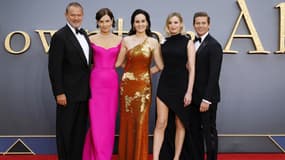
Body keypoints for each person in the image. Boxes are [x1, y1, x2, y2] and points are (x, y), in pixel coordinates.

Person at [115, 9, 164, 160]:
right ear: (133, 24)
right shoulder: (126, 40)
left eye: (143, 21)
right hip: (127, 87)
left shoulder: (153, 41)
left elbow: (160, 66)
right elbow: (118, 63)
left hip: (144, 88)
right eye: (137, 21)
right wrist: (131, 72)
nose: (140, 24)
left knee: (141, 121)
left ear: (147, 23)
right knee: (127, 120)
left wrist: (145, 73)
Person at [48, 2, 92, 160]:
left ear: (83, 15)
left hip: (84, 93)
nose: (76, 18)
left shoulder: (84, 34)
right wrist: (59, 92)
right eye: (73, 15)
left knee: (79, 132)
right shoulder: (60, 36)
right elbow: (54, 68)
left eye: (79, 15)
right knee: (66, 131)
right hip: (67, 94)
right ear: (66, 15)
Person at [152, 12, 196, 160]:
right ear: (167, 25)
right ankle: (156, 157)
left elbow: (192, 68)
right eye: (170, 23)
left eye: (176, 22)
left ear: (181, 24)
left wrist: (189, 92)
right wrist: (140, 73)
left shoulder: (188, 42)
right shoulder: (162, 42)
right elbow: (160, 66)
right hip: (164, 85)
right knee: (161, 122)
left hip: (181, 86)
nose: (173, 25)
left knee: (180, 123)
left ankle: (176, 157)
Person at [82, 8, 121, 160]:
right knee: (96, 121)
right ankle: (95, 155)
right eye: (101, 21)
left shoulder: (120, 40)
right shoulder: (90, 39)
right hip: (95, 82)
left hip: (111, 83)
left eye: (107, 21)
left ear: (112, 21)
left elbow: (123, 62)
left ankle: (104, 156)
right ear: (97, 22)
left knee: (109, 122)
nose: (105, 24)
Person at [190, 11, 223, 160]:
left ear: (209, 25)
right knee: (195, 132)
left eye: (203, 23)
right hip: (193, 97)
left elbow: (214, 75)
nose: (200, 25)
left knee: (209, 132)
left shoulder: (214, 45)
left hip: (207, 99)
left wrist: (207, 99)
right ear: (194, 25)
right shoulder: (191, 43)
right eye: (197, 23)